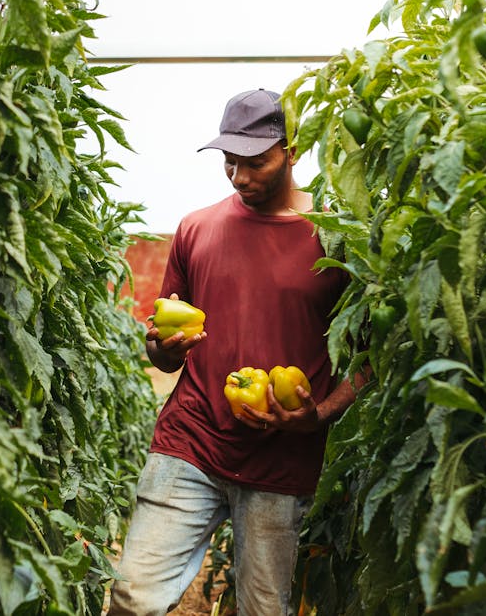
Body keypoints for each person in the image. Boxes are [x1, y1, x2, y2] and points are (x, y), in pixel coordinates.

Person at [106, 89, 366, 616]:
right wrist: (159, 346)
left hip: (282, 458)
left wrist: (318, 415)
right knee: (133, 594)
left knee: (262, 609)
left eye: (255, 163)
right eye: (230, 163)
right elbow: (164, 351)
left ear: (291, 152)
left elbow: (365, 358)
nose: (240, 177)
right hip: (191, 441)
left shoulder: (336, 239)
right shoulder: (196, 229)